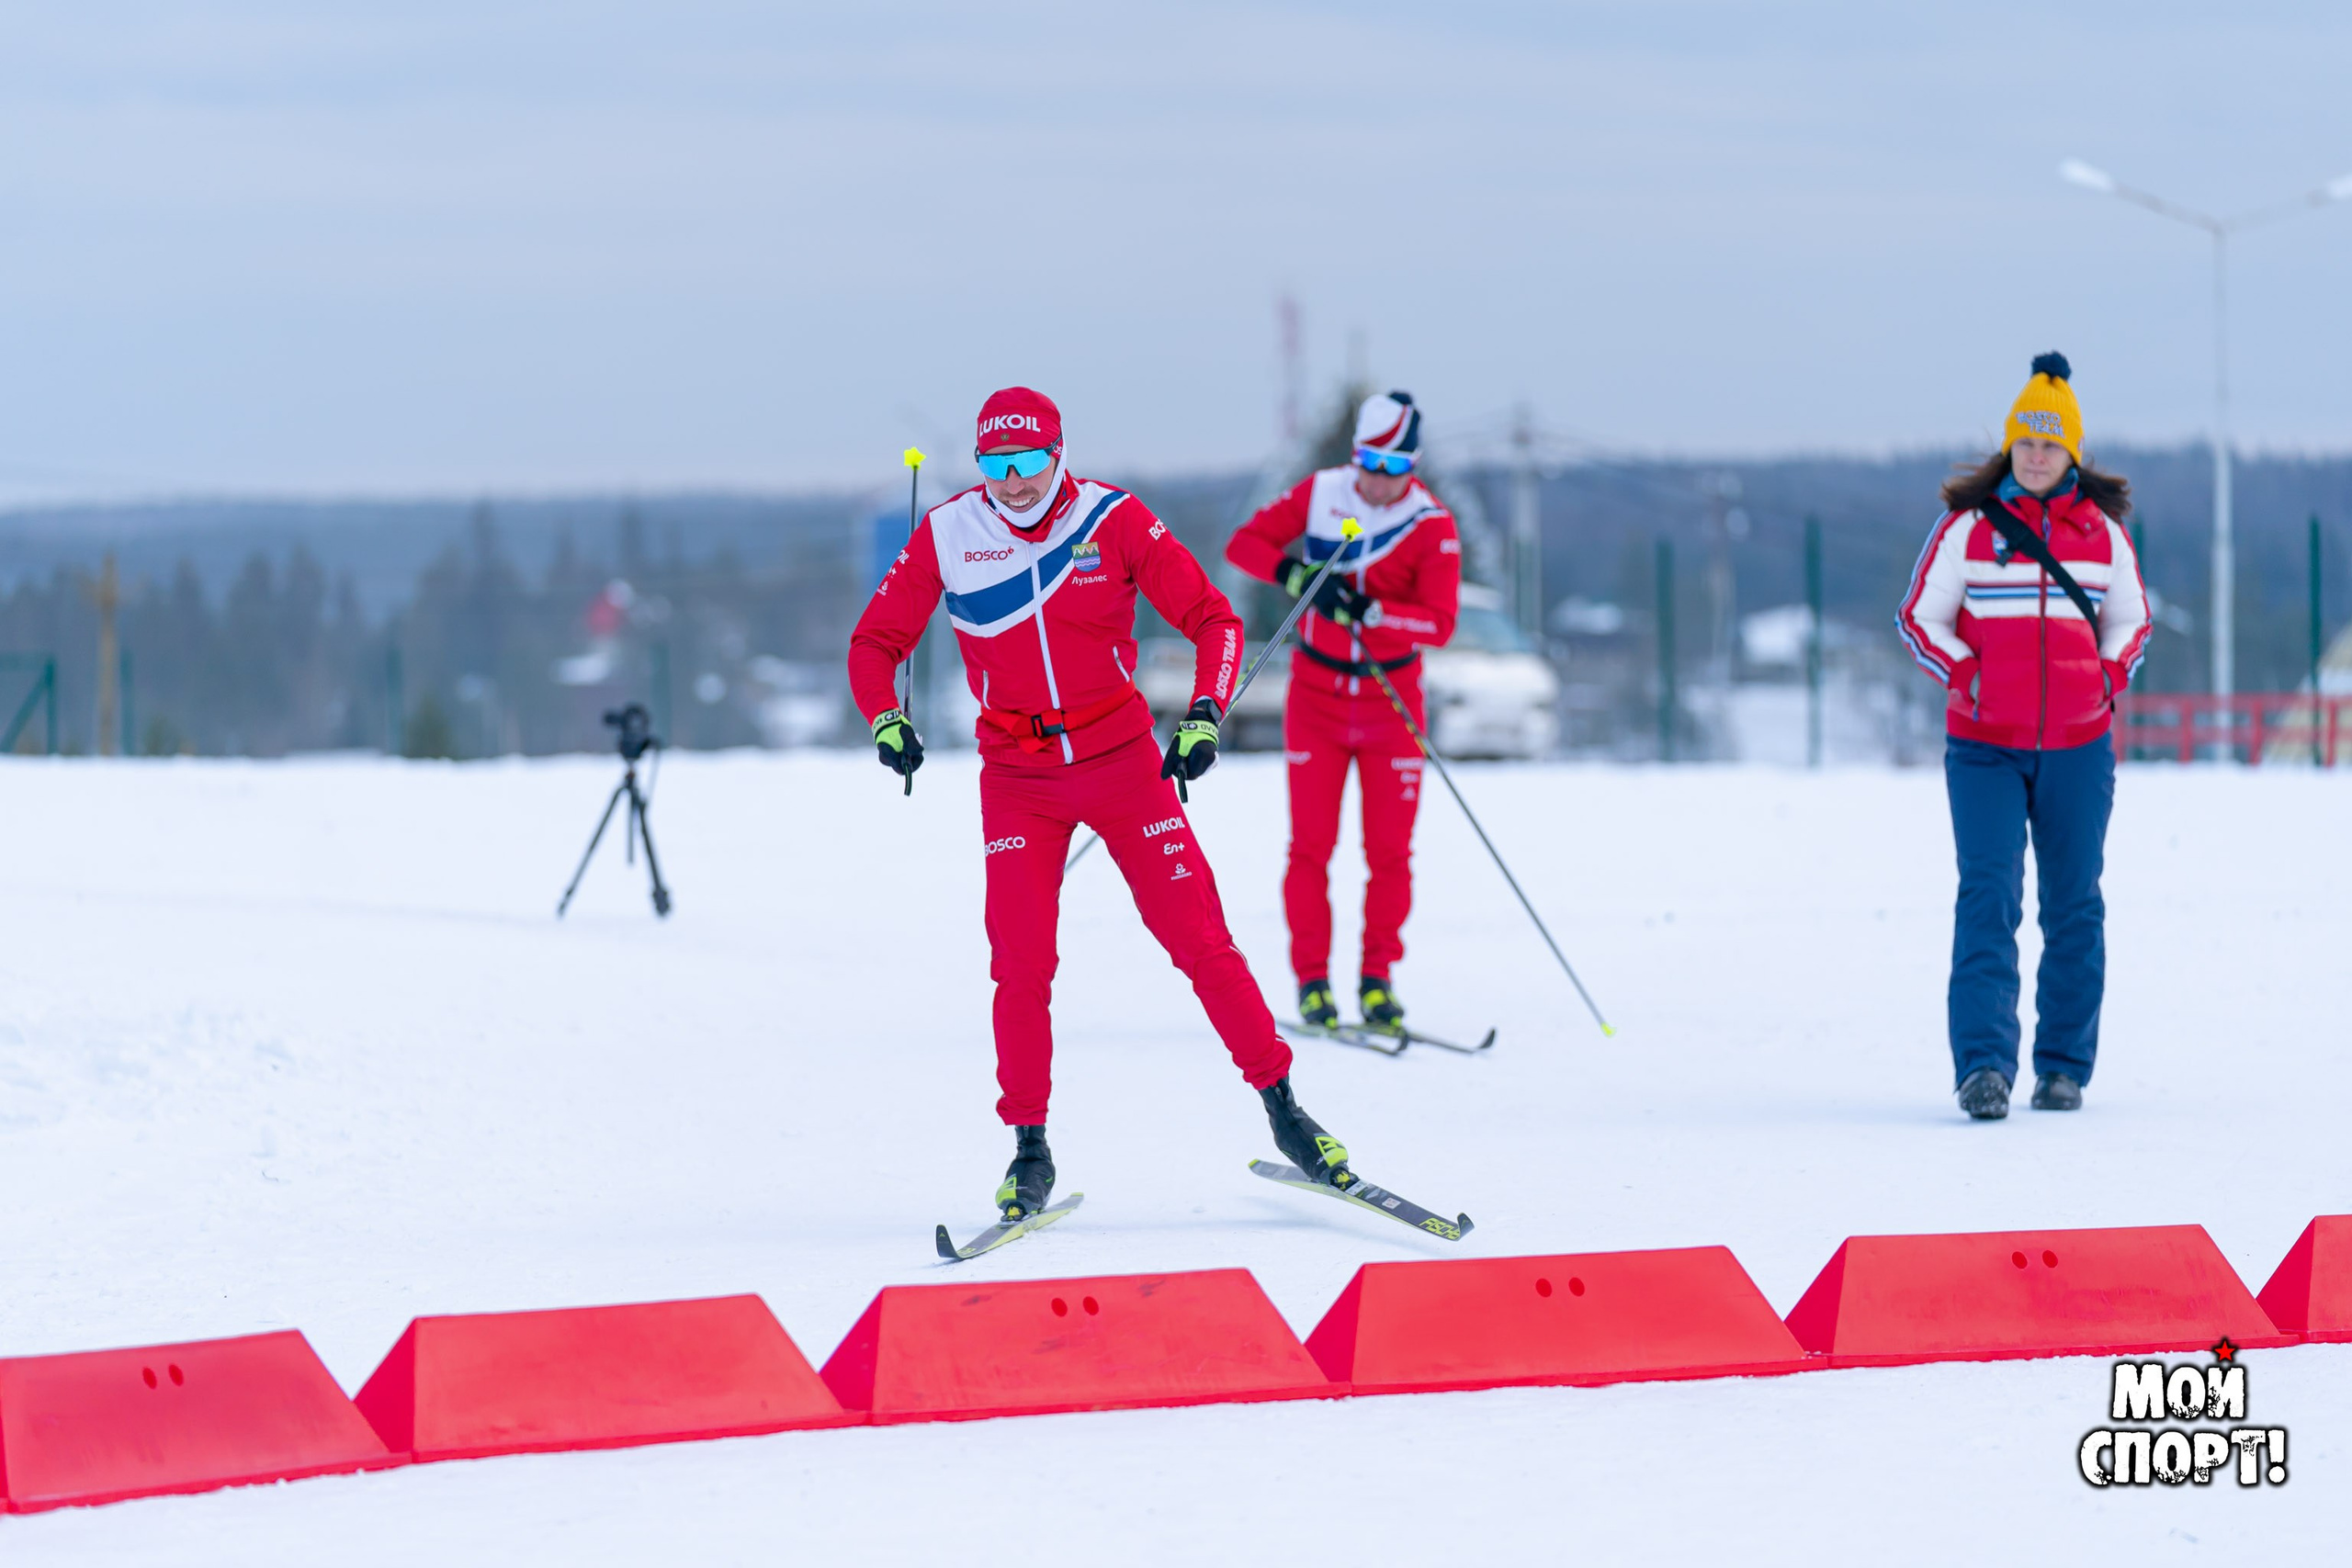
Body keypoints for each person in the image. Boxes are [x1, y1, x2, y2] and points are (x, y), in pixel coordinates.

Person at [847, 387, 1358, 1217]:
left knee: (1198, 937)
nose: (1013, 483)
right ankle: (1029, 1148)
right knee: (1020, 962)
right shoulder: (949, 531)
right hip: (1019, 774)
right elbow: (875, 643)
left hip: (1122, 758)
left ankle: (1287, 1112)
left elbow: (1214, 620)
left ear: (1058, 454)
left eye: (1029, 463)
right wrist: (886, 717)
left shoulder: (1111, 520)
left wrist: (1203, 715)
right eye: (994, 465)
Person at [1896, 353, 2151, 1121]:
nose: (2037, 456)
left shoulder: (2101, 535)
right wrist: (1965, 669)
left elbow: (2131, 622)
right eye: (2026, 443)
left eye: (2051, 443)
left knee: (2074, 903)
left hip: (2078, 748)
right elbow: (1919, 617)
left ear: (2072, 450)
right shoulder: (1969, 530)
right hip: (1985, 748)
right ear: (2011, 447)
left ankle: (2064, 1066)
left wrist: (2106, 680)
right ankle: (1983, 1067)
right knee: (1989, 897)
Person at [1225, 390, 1461, 1035]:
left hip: (1391, 703)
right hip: (1318, 698)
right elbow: (1244, 546)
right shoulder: (1323, 493)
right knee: (1310, 848)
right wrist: (1299, 577)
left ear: (1411, 466)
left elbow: (1440, 624)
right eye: (1368, 462)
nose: (1376, 481)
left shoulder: (1431, 523)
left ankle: (1378, 982)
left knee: (1388, 852)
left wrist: (1377, 612)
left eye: (1393, 467)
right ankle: (1312, 982)